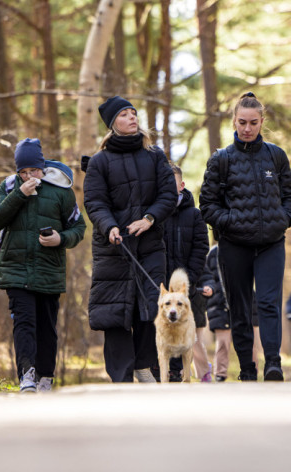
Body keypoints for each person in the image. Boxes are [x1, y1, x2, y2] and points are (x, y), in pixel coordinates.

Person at [199, 91, 291, 381]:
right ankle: (247, 369)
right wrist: (229, 223)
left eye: (253, 122)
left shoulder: (276, 156)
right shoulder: (221, 160)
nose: (247, 128)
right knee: (239, 308)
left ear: (262, 122)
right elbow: (207, 204)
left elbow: (290, 196)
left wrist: (283, 219)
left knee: (268, 304)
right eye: (242, 122)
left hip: (271, 244)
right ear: (234, 121)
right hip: (234, 245)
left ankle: (273, 364)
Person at [84, 96, 178, 382]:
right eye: (124, 114)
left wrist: (149, 218)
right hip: (113, 246)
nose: (132, 117)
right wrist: (109, 226)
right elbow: (95, 202)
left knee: (150, 306)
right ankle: (121, 377)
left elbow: (168, 195)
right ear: (113, 124)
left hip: (149, 245)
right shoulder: (99, 162)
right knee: (116, 312)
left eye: (133, 113)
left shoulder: (155, 155)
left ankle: (143, 364)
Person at [0, 138, 87, 393]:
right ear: (18, 171)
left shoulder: (60, 191)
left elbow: (79, 227)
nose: (29, 175)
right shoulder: (9, 187)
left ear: (42, 167)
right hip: (15, 269)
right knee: (24, 322)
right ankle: (26, 375)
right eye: (24, 172)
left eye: (34, 170)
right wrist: (20, 194)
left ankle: (45, 377)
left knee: (46, 326)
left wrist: (60, 239)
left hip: (49, 269)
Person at [163, 164, 213, 382]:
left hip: (188, 285)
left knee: (186, 331)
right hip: (162, 286)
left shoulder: (194, 216)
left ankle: (186, 371)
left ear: (181, 186)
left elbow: (201, 248)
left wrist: (190, 280)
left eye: (172, 184)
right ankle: (166, 371)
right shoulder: (155, 215)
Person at [201, 238, 231, 382]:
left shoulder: (239, 249)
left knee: (248, 342)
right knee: (223, 342)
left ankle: (251, 371)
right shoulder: (213, 253)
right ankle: (220, 373)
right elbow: (208, 279)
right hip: (219, 305)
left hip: (239, 303)